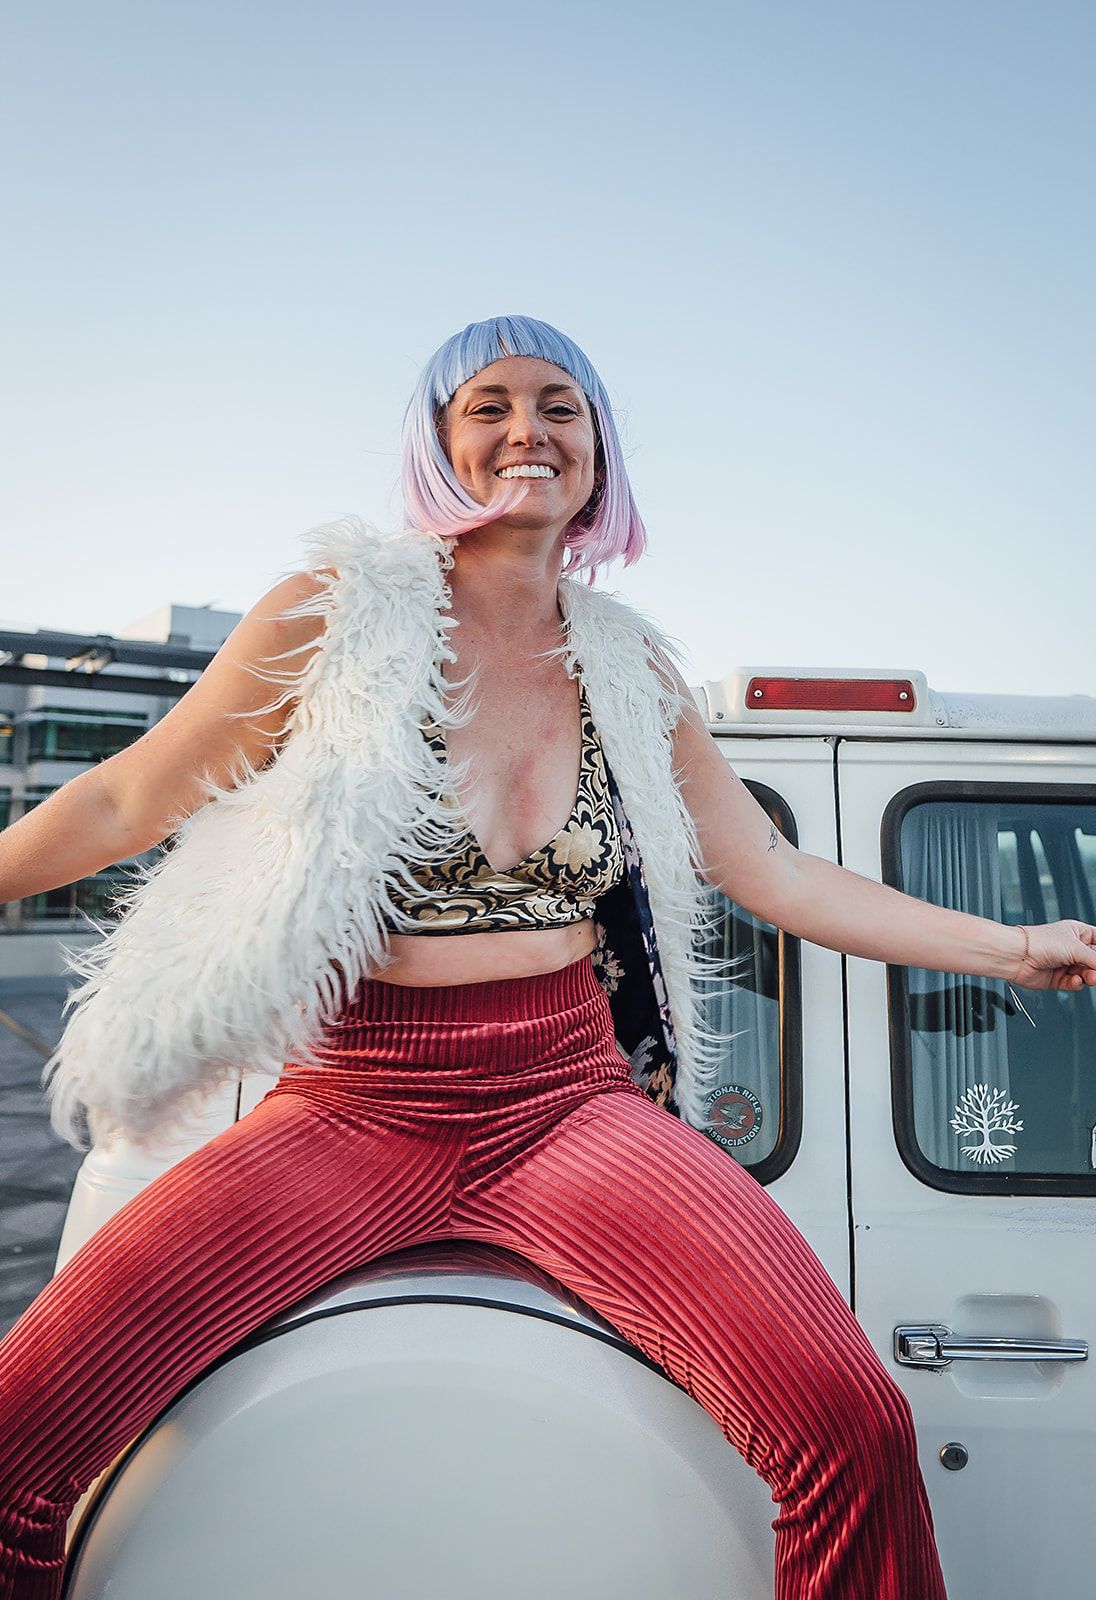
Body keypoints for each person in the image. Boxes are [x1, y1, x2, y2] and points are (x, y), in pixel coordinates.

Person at [1, 314, 1094, 1600]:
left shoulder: (630, 663)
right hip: (352, 1105)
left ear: (598, 451)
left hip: (567, 1101)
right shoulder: (329, 616)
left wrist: (1015, 943)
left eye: (561, 405)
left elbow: (776, 872)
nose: (528, 429)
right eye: (488, 404)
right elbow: (131, 801)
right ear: (437, 444)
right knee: (22, 1438)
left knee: (850, 1424)